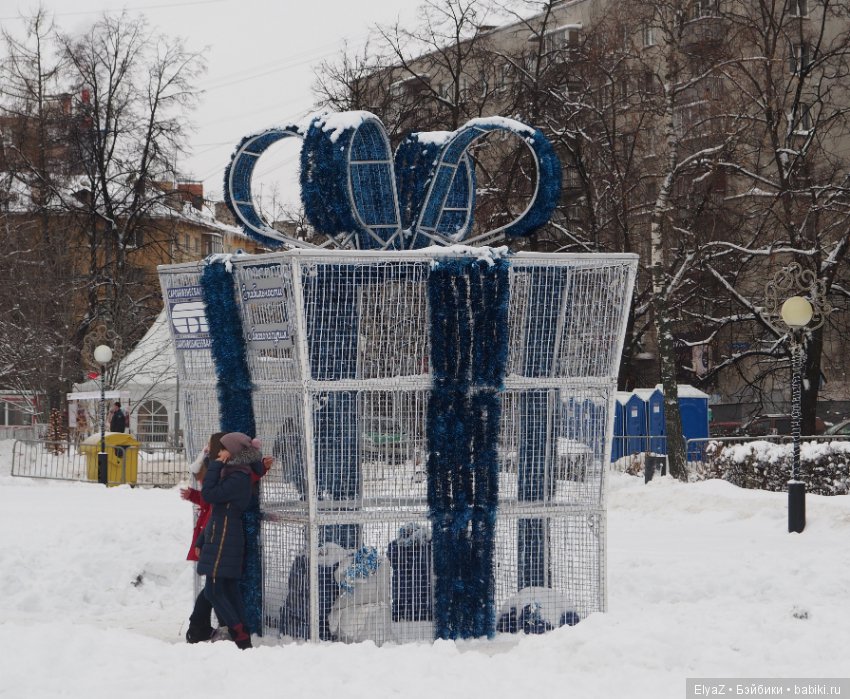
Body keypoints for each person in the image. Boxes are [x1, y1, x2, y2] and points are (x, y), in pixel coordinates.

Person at [195, 431, 270, 650]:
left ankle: (239, 633)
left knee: (214, 590)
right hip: (220, 533)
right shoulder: (233, 473)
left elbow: (209, 494)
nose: (219, 452)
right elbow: (216, 511)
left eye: (223, 449)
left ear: (232, 452)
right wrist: (202, 540)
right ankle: (242, 637)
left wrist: (216, 464)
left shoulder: (238, 476)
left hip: (225, 537)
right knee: (227, 589)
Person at [181, 432, 225, 644]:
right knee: (214, 587)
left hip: (210, 534)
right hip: (211, 535)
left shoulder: (216, 469)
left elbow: (208, 499)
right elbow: (210, 500)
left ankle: (200, 627)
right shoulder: (215, 469)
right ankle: (201, 627)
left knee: (214, 586)